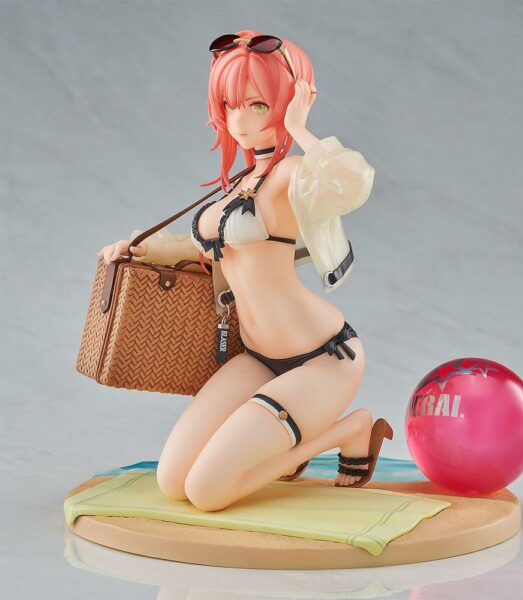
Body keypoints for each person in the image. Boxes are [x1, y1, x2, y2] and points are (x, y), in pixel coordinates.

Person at [97, 30, 392, 512]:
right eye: (230, 105)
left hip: (322, 358)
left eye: (257, 105)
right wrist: (140, 248)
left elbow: (351, 182)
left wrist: (300, 128)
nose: (239, 120)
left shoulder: (292, 174)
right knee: (173, 481)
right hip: (257, 357)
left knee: (206, 491)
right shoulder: (241, 183)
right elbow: (207, 252)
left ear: (290, 100)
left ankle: (347, 430)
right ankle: (282, 440)